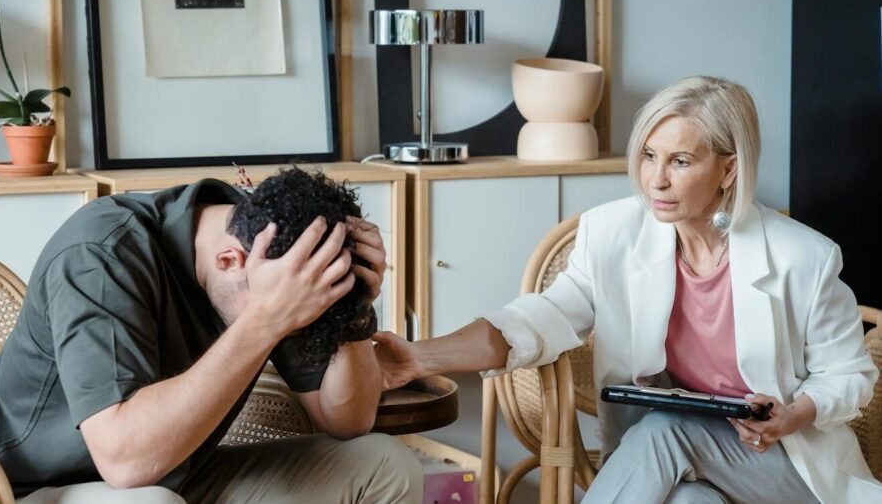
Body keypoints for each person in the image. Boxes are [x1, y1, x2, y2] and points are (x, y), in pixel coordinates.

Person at [373, 76, 882, 503]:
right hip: (687, 470)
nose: (655, 180)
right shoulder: (613, 235)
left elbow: (849, 376)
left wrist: (792, 415)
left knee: (665, 428)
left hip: (785, 468)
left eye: (680, 161)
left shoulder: (805, 257)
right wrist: (419, 357)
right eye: (648, 156)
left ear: (729, 169)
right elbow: (538, 318)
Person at [0, 167, 423, 503]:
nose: (293, 321)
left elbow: (346, 421)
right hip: (51, 489)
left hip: (184, 474)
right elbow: (124, 461)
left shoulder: (275, 244)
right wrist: (267, 318)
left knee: (386, 464)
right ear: (230, 260)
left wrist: (355, 309)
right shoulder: (100, 254)